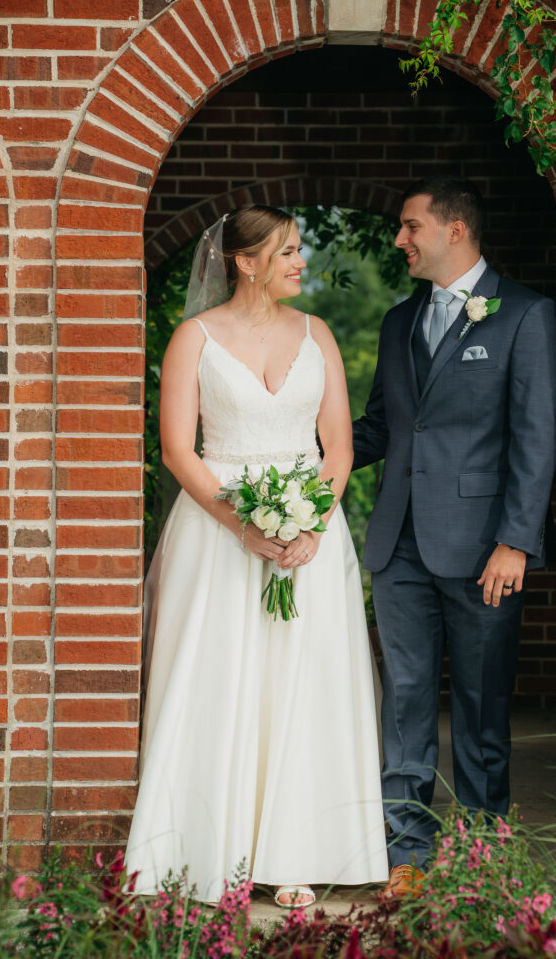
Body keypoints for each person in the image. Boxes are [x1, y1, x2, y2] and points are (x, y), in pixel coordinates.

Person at [126, 205, 388, 908]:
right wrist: (241, 525)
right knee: (216, 676)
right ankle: (203, 848)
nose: (302, 261)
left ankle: (295, 855)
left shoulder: (319, 334)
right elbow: (178, 448)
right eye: (289, 251)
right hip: (216, 533)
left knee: (305, 684)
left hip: (309, 537)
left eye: (300, 249)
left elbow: (339, 448)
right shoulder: (194, 339)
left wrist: (311, 525)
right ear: (245, 262)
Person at [353, 176, 556, 899]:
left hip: (483, 548)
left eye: (410, 227)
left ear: (455, 231)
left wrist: (516, 541)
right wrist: (294, 452)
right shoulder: (395, 322)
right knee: (405, 697)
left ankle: (482, 849)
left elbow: (535, 441)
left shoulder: (525, 316)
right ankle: (407, 847)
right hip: (398, 545)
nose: (399, 240)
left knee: (479, 701)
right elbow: (383, 427)